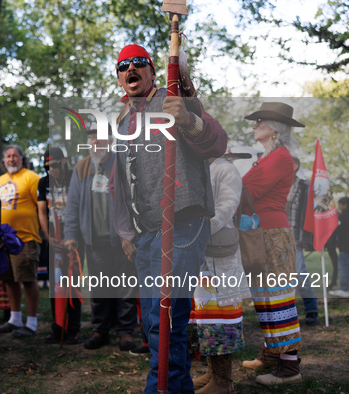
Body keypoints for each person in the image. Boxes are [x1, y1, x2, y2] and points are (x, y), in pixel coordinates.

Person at [112, 44, 228, 392]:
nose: (130, 68)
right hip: (148, 232)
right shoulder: (122, 123)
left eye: (138, 63)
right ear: (119, 78)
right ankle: (174, 387)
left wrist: (189, 119)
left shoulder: (173, 99)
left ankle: (158, 388)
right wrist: (124, 231)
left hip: (183, 222)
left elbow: (217, 143)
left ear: (150, 71)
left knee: (167, 320)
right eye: (123, 66)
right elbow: (121, 183)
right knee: (153, 323)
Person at [240, 102, 304, 385]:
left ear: (275, 129)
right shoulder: (266, 157)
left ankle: (290, 368)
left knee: (278, 298)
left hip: (274, 234)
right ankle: (271, 354)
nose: (254, 126)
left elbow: (247, 192)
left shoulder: (280, 158)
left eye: (260, 122)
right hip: (260, 233)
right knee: (264, 297)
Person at [65, 124, 138, 351]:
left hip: (121, 240)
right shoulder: (82, 167)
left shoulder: (120, 163)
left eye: (101, 138)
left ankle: (125, 332)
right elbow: (73, 204)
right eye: (92, 138)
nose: (96, 142)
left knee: (125, 287)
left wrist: (132, 234)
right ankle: (100, 331)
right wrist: (70, 235)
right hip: (94, 241)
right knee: (99, 289)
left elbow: (133, 199)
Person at [190, 155, 250, 393]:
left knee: (219, 316)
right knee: (206, 316)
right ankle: (212, 373)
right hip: (204, 253)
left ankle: (223, 382)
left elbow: (226, 208)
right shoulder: (202, 165)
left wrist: (197, 229)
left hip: (220, 255)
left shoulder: (225, 169)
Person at [0, 145, 42, 338]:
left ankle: (31, 323)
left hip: (25, 238)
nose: (11, 159)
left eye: (15, 156)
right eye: (8, 156)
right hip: (3, 241)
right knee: (9, 280)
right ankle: (14, 319)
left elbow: (41, 207)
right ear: (4, 160)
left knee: (27, 279)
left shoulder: (31, 177)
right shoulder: (0, 180)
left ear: (22, 159)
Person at [37, 147, 82, 344]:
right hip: (53, 239)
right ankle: (57, 328)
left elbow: (82, 209)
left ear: (64, 162)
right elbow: (41, 211)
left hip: (73, 238)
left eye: (54, 165)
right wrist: (48, 238)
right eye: (47, 167)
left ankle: (73, 329)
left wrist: (73, 237)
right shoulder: (43, 182)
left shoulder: (75, 178)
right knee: (56, 285)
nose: (51, 170)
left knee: (73, 283)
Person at [286, 156, 318, 324]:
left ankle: (311, 309)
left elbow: (310, 212)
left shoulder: (304, 186)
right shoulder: (277, 184)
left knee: (299, 274)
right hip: (275, 236)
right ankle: (284, 313)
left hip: (295, 237)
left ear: (296, 165)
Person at [330, 197, 349, 298]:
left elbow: (338, 230)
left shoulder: (344, 216)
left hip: (345, 247)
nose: (339, 207)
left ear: (345, 204)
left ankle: (344, 288)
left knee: (344, 268)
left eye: (340, 205)